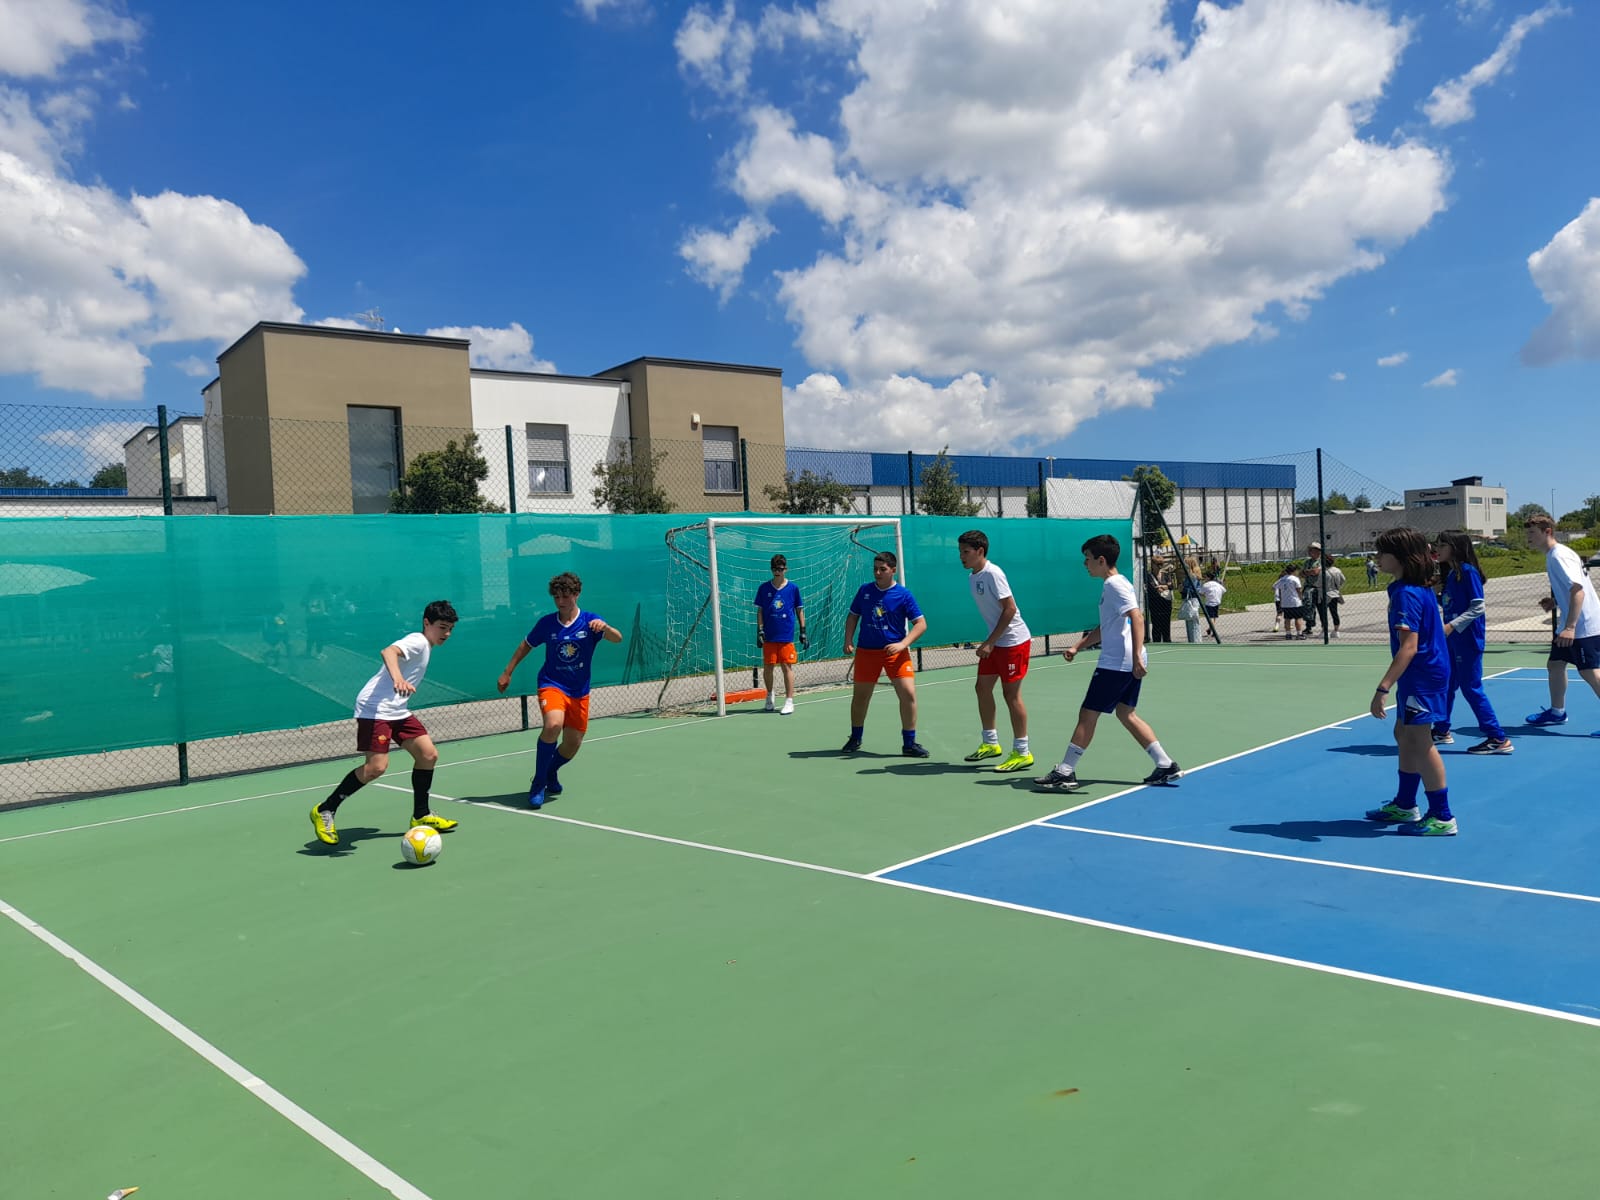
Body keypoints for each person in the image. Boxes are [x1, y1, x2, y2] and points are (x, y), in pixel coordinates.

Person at [1032, 533, 1180, 793]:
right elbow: (1109, 625)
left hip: (1117, 663)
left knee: (1088, 714)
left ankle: (1065, 771)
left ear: (1101, 560)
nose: (1085, 564)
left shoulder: (1114, 585)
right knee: (1126, 713)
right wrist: (1078, 646)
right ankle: (1165, 764)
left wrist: (1136, 656)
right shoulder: (1117, 584)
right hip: (1124, 661)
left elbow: (1137, 617)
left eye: (1087, 559)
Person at [310, 600, 460, 846]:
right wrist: (398, 678)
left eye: (450, 629)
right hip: (375, 709)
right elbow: (388, 652)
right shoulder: (418, 641)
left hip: (396, 710)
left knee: (428, 755)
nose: (447, 634)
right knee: (376, 767)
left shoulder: (426, 645)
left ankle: (421, 814)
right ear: (427, 623)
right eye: (442, 627)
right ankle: (326, 809)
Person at [498, 572, 623, 809]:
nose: (560, 601)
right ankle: (538, 783)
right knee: (553, 724)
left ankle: (550, 772)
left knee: (572, 744)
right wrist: (507, 671)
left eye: (565, 596)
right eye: (556, 597)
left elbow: (617, 638)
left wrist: (605, 627)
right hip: (552, 684)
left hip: (579, 691)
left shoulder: (590, 621)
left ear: (577, 594)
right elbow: (526, 645)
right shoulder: (547, 623)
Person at [1364, 527, 1456, 835]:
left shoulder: (1407, 594)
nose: (1377, 557)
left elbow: (1409, 647)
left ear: (1401, 557)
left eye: (1382, 553)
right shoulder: (1408, 588)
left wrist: (1383, 688)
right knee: (1403, 733)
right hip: (1419, 675)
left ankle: (1442, 816)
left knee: (1420, 742)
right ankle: (1405, 805)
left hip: (1423, 676)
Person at [957, 529, 1034, 773]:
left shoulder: (993, 573)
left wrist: (990, 642)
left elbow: (1010, 609)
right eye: (960, 552)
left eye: (966, 552)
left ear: (980, 551)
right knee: (982, 688)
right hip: (996, 642)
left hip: (1013, 642)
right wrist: (992, 642)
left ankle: (1022, 752)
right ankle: (990, 743)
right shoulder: (973, 577)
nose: (961, 556)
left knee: (1011, 696)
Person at [1430, 531, 1511, 754]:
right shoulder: (1452, 574)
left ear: (1455, 547)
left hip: (1468, 639)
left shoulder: (1468, 571)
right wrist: (1436, 594)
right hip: (1453, 639)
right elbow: (1451, 603)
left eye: (1442, 545)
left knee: (1471, 687)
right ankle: (1441, 730)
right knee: (1447, 684)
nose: (1438, 549)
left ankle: (1497, 737)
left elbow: (1478, 606)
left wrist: (1451, 625)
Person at [841, 551, 928, 757]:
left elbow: (921, 624)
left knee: (908, 694)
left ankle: (909, 743)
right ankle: (855, 738)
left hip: (895, 654)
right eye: (875, 569)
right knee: (861, 697)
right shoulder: (864, 591)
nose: (878, 573)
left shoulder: (904, 595)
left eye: (882, 569)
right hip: (866, 652)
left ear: (893, 570)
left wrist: (902, 644)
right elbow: (853, 616)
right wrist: (848, 640)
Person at [1522, 514, 1600, 732]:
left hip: (1583, 625)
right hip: (1571, 622)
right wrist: (1555, 601)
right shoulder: (1555, 554)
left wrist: (1570, 627)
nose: (1528, 537)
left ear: (1547, 532)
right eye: (1527, 533)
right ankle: (1557, 712)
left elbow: (1578, 591)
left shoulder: (1559, 556)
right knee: (1555, 665)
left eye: (1532, 533)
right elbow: (1572, 587)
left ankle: (1557, 712)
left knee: (1589, 672)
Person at [754, 554, 807, 715]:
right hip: (769, 636)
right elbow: (760, 611)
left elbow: (799, 610)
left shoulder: (793, 588)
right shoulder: (764, 588)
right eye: (774, 569)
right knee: (768, 667)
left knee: (786, 666)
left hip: (786, 635)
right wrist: (760, 630)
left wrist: (803, 631)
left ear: (786, 569)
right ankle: (770, 695)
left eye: (780, 569)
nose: (777, 572)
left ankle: (789, 701)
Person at [1145, 557, 1173, 643]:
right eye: (1158, 564)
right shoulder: (1148, 576)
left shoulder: (1165, 574)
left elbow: (1171, 586)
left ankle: (1167, 642)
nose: (1160, 566)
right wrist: (1165, 586)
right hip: (1154, 604)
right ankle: (1156, 643)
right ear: (1153, 565)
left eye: (1162, 564)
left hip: (1166, 603)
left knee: (1166, 626)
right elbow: (1152, 588)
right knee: (1156, 626)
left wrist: (1163, 587)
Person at [1273, 564, 1305, 640]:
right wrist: (1301, 597)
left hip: (1285, 602)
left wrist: (1283, 591)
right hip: (1295, 602)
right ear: (1294, 571)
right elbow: (1299, 590)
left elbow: (1274, 586)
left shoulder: (1282, 579)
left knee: (1287, 619)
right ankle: (1299, 634)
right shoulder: (1295, 579)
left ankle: (1288, 634)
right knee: (1298, 618)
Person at [1320, 550, 1345, 638]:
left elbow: (1318, 583)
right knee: (1334, 612)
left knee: (1323, 614)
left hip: (1324, 594)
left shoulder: (1322, 571)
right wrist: (1337, 586)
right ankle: (1336, 631)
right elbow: (1343, 580)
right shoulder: (1337, 570)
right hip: (1335, 593)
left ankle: (1324, 630)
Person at [1198, 574, 1226, 642]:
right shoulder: (1217, 584)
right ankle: (1210, 629)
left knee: (1211, 617)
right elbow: (1224, 590)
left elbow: (1200, 593)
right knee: (1214, 617)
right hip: (1217, 602)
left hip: (1209, 603)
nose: (1204, 579)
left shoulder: (1206, 585)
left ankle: (1213, 631)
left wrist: (1206, 594)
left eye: (1205, 577)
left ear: (1208, 578)